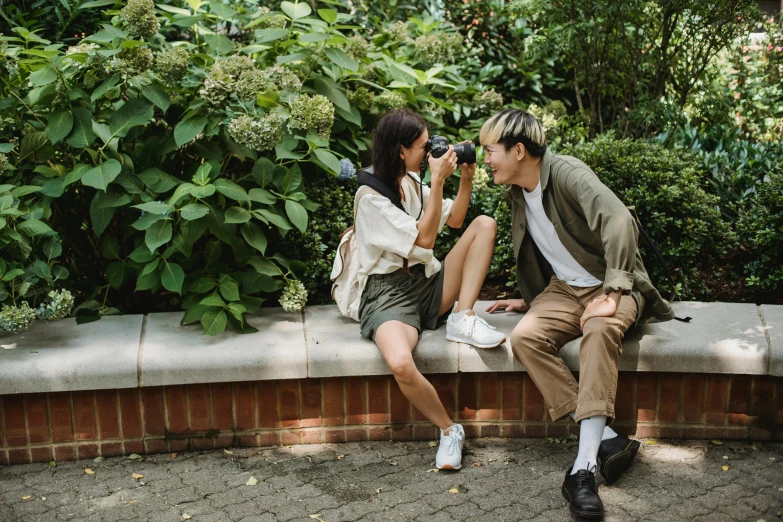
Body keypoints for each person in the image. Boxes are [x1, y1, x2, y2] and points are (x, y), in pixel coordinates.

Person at [482, 109, 674, 518]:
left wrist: (614, 291)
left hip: (610, 284)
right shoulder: (517, 190)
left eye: (490, 149)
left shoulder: (566, 173)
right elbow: (549, 247)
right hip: (564, 290)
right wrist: (530, 299)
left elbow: (620, 219)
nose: (485, 158)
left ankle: (583, 469)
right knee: (524, 337)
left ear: (518, 150)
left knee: (601, 329)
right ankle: (605, 436)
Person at [355, 108, 505, 470]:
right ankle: (450, 429)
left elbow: (453, 222)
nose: (430, 154)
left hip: (427, 282)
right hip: (388, 295)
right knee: (401, 363)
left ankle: (462, 316)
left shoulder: (409, 180)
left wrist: (465, 179)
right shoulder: (369, 197)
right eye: (423, 147)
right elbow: (424, 237)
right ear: (401, 150)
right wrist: (438, 181)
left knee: (484, 224)